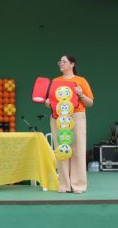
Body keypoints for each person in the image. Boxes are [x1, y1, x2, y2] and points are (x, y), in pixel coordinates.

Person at [45, 55, 94, 194]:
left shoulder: (80, 81)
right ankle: (64, 184)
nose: (61, 63)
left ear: (72, 64)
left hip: (76, 116)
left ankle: (78, 185)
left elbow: (90, 103)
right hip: (58, 117)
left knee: (77, 149)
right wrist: (47, 103)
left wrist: (81, 95)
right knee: (61, 149)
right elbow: (49, 101)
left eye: (64, 61)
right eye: (59, 61)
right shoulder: (55, 81)